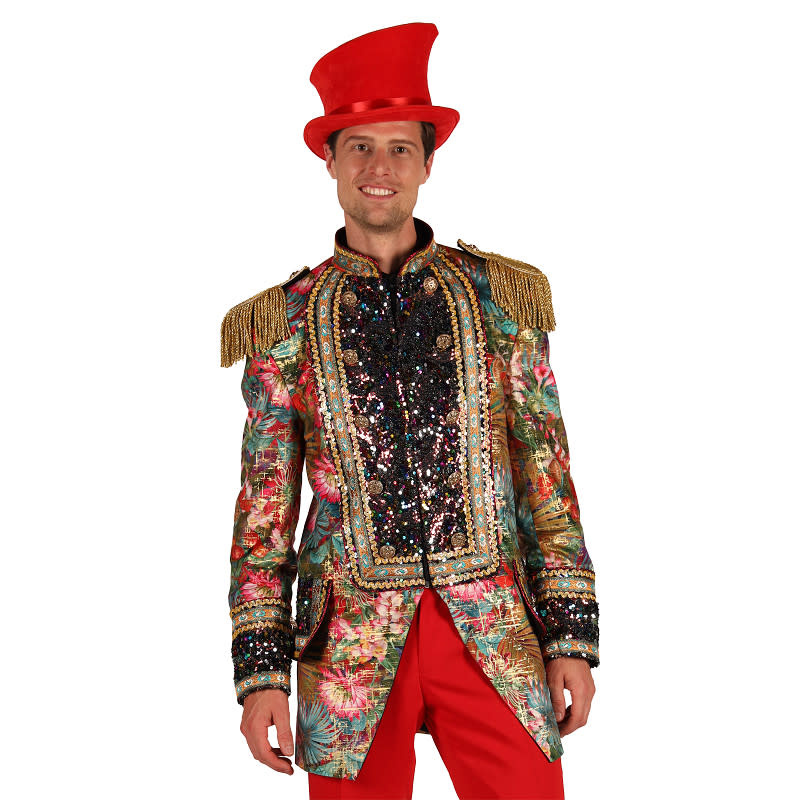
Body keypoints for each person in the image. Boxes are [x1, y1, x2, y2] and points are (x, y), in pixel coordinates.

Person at [220, 22, 599, 800]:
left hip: (494, 630)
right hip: (347, 650)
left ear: (428, 163)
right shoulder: (283, 323)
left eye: (399, 148)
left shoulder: (500, 299)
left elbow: (547, 480)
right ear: (329, 161)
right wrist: (260, 674)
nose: (379, 167)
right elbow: (263, 516)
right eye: (359, 146)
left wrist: (570, 634)